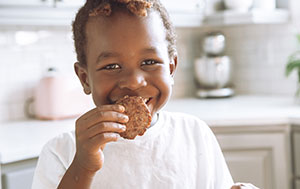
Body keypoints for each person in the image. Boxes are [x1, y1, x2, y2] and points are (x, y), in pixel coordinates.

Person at [31, 0, 258, 188]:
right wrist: (83, 167)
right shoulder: (62, 152)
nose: (133, 81)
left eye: (149, 62)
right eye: (111, 66)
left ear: (171, 68)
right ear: (84, 78)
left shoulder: (195, 135)